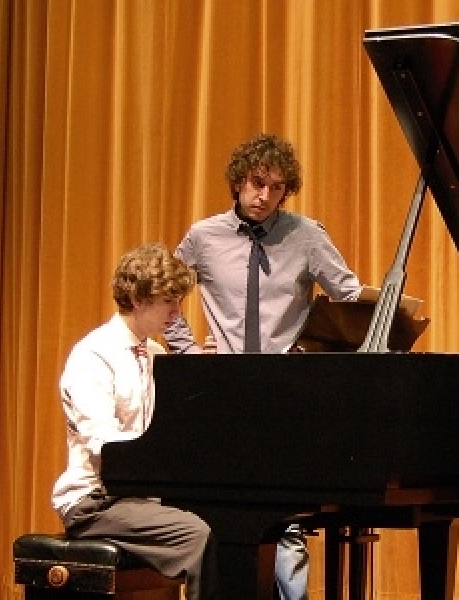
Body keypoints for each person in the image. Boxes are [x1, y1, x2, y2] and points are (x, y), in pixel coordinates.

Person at [164, 133, 366, 599]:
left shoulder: (306, 235)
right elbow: (165, 292)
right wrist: (189, 355)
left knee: (288, 521)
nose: (264, 196)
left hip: (287, 394)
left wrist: (318, 353)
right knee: (222, 512)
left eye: (276, 188)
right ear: (238, 182)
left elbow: (349, 299)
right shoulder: (204, 237)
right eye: (257, 184)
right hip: (222, 394)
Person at [51, 242, 220, 600]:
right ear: (139, 299)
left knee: (232, 525)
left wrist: (205, 377)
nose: (177, 313)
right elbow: (107, 448)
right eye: (168, 302)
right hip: (95, 502)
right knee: (198, 534)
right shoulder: (93, 356)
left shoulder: (155, 353)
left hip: (138, 496)